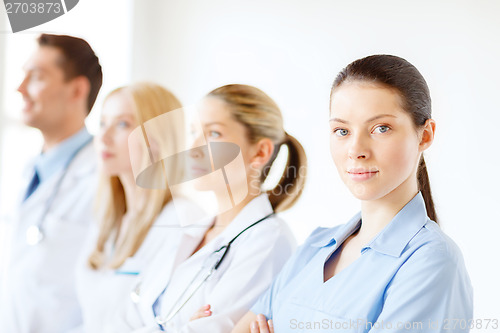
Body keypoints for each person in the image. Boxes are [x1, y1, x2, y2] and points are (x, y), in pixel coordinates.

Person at [232, 55, 473, 333]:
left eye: (381, 128)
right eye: (342, 130)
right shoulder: (315, 246)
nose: (356, 149)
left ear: (425, 135)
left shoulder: (432, 261)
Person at [111, 84, 307, 332]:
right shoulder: (193, 230)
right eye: (194, 131)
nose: (193, 148)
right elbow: (125, 317)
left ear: (260, 152)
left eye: (213, 134)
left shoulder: (268, 241)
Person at [70, 82, 200, 332]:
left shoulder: (183, 221)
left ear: (158, 140)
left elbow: (169, 323)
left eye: (122, 124)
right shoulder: (107, 221)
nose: (104, 138)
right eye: (102, 124)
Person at [0, 34, 102, 333]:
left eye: (37, 77)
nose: (20, 88)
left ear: (77, 89)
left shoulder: (103, 181)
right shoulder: (24, 171)